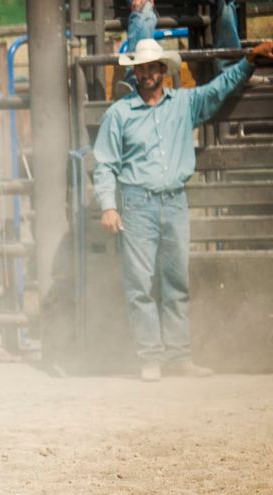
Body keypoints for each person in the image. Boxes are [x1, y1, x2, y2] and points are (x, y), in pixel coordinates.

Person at [92, 0, 273, 381]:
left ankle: (177, 355)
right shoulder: (119, 115)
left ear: (163, 71)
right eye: (140, 69)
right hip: (138, 204)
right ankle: (151, 357)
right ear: (137, 73)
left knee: (176, 282)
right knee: (139, 284)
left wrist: (248, 60)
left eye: (151, 68)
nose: (146, 75)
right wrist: (109, 207)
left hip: (172, 202)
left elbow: (220, 87)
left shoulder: (184, 104)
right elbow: (105, 164)